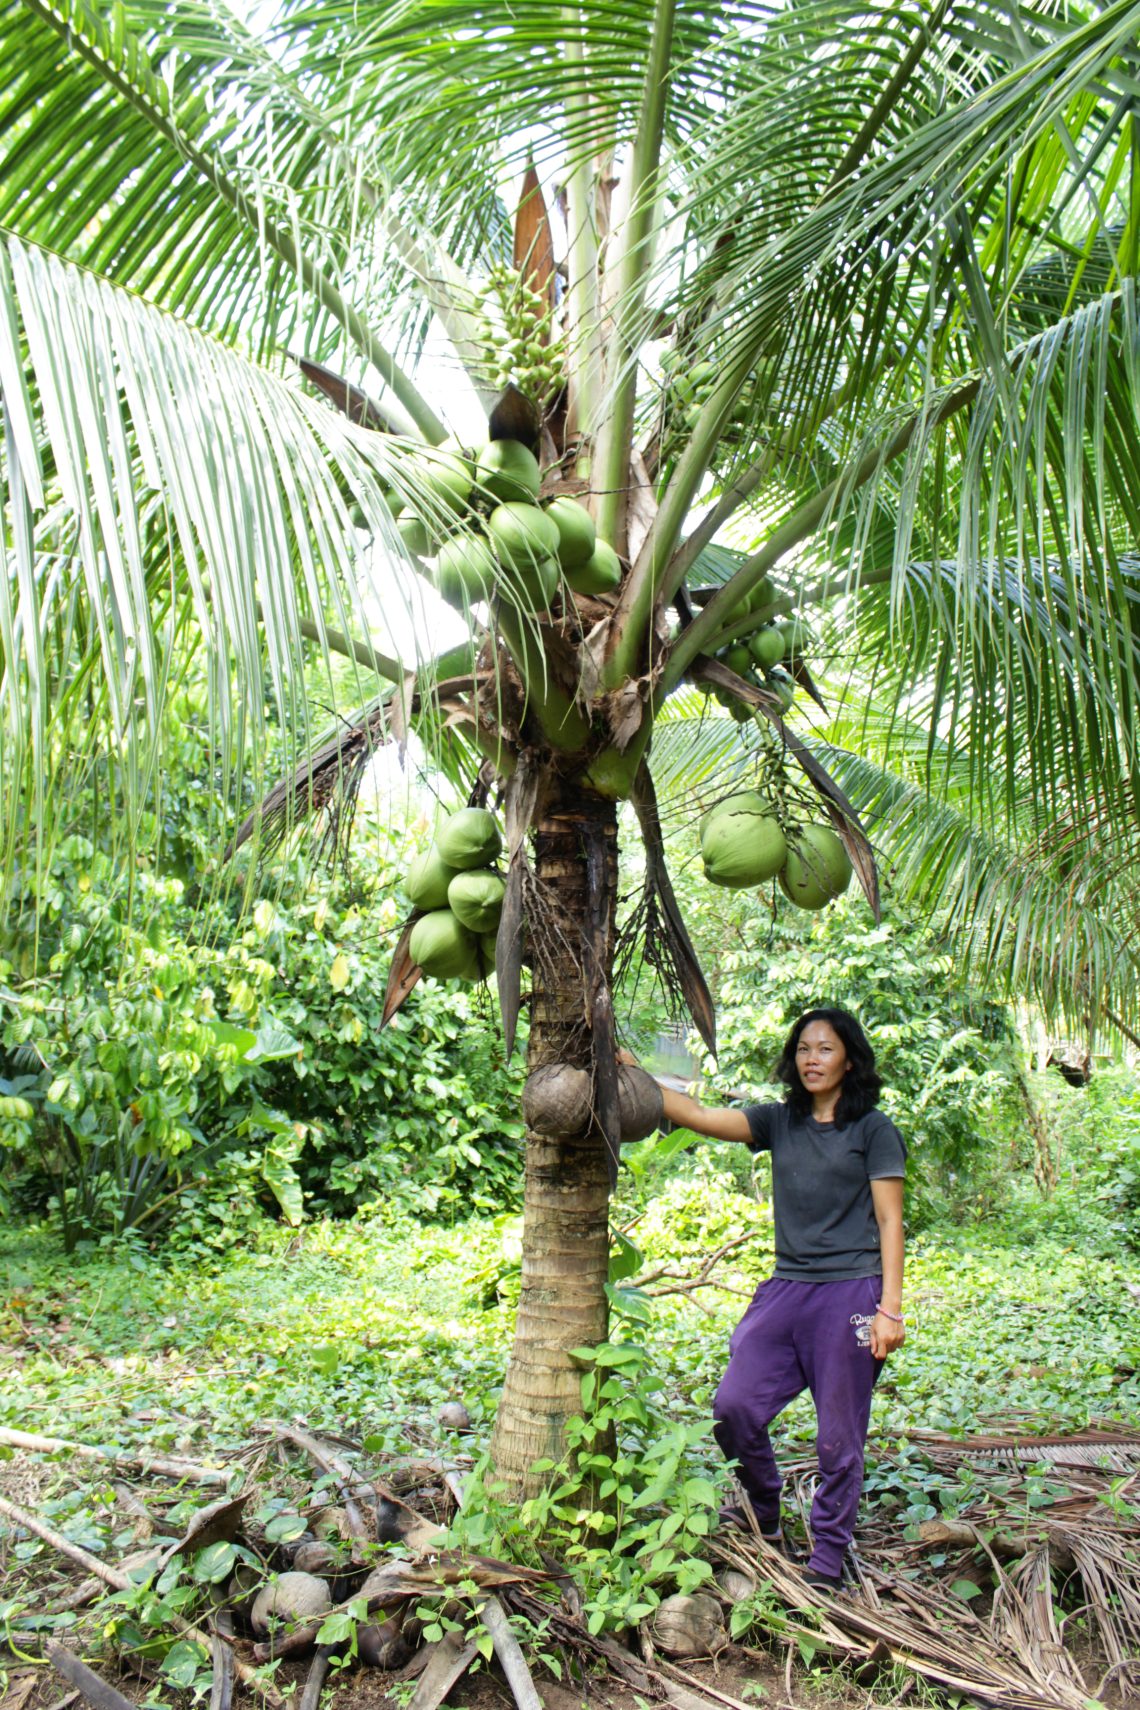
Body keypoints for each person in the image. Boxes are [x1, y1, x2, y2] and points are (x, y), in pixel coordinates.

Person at [621, 1007, 905, 1591]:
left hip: (851, 1292)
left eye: (825, 1049)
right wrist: (636, 1076)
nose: (812, 1059)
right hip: (787, 1289)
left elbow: (890, 1221)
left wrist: (890, 1309)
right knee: (735, 1406)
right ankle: (765, 1510)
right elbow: (697, 1115)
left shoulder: (874, 1131)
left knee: (838, 1438)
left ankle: (827, 1559)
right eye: (803, 1049)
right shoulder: (779, 1122)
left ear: (849, 1058)